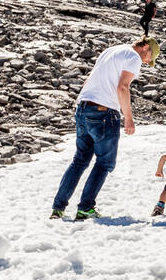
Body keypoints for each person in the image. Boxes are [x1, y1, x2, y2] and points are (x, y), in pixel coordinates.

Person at [51, 36, 159, 220]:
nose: (147, 61)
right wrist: (129, 119)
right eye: (150, 57)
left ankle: (58, 208)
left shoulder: (112, 50)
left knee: (80, 161)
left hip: (84, 107)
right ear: (145, 47)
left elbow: (90, 79)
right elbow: (123, 87)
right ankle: (85, 207)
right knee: (105, 162)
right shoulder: (133, 57)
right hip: (104, 113)